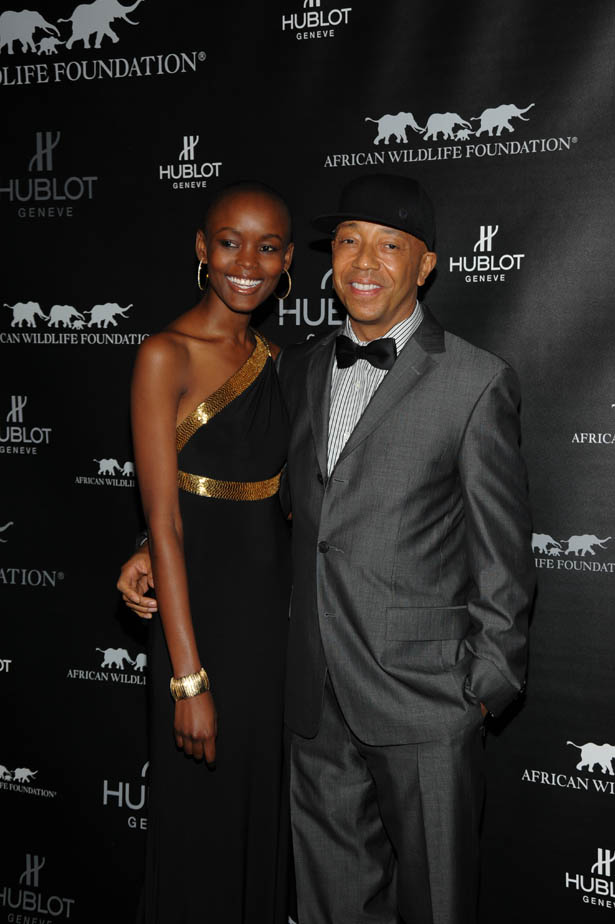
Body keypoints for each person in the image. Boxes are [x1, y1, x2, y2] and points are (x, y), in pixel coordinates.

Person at [120, 173, 534, 924]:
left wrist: (483, 687)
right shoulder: (297, 367)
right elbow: (233, 480)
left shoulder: (476, 380)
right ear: (326, 258)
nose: (365, 262)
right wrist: (148, 540)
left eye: (389, 246)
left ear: (425, 265)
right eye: (348, 242)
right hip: (308, 702)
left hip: (425, 704)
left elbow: (503, 553)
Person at [128, 180, 294, 924]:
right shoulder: (165, 354)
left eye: (267, 248)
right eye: (230, 243)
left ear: (287, 262)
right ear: (202, 248)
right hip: (195, 626)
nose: (247, 263)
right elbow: (163, 521)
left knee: (259, 823)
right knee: (199, 829)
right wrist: (188, 681)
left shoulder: (280, 362)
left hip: (271, 630)